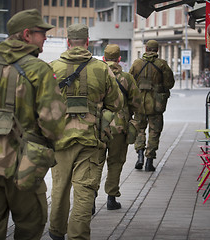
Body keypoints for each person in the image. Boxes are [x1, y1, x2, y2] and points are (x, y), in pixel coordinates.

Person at [0, 9, 66, 239]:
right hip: (25, 167)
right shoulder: (40, 70)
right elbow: (53, 126)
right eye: (41, 33)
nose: (45, 37)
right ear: (27, 35)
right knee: (29, 229)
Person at [48, 24, 123, 240]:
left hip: (60, 139)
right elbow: (116, 102)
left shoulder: (52, 68)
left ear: (68, 42)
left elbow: (41, 105)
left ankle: (55, 231)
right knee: (84, 193)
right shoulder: (101, 69)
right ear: (87, 41)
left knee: (59, 188)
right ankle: (78, 236)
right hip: (90, 140)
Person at [97, 44, 141, 210]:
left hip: (99, 127)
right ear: (119, 59)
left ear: (103, 58)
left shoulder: (98, 75)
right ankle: (111, 199)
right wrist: (135, 122)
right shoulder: (127, 78)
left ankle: (90, 199)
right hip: (119, 129)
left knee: (96, 162)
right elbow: (137, 104)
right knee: (115, 162)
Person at [129, 39, 175, 171]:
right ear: (157, 50)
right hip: (156, 105)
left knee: (139, 129)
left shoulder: (137, 64)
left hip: (139, 104)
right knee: (154, 131)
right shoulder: (162, 65)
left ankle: (140, 156)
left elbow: (130, 81)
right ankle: (149, 160)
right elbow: (169, 84)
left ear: (146, 49)